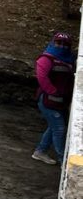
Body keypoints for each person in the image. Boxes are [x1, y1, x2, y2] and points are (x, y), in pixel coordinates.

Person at [32, 32, 74, 164]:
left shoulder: (70, 60)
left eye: (65, 44)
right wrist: (53, 91)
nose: (61, 46)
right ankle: (63, 160)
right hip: (47, 100)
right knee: (59, 129)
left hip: (61, 102)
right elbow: (41, 77)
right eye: (58, 43)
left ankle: (40, 151)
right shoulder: (46, 59)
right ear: (53, 42)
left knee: (53, 127)